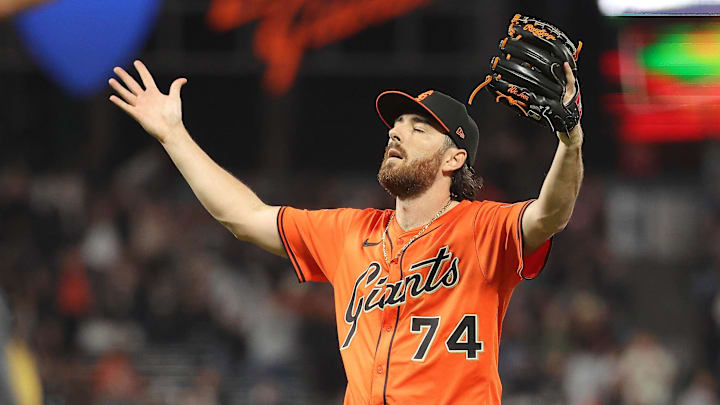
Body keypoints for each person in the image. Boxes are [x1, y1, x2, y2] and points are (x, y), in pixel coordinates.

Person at [108, 59, 583, 405]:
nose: (397, 133)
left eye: (419, 129)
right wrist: (174, 135)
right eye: (396, 125)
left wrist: (570, 141)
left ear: (454, 159)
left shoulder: (481, 226)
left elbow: (549, 215)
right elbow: (245, 217)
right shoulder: (349, 232)